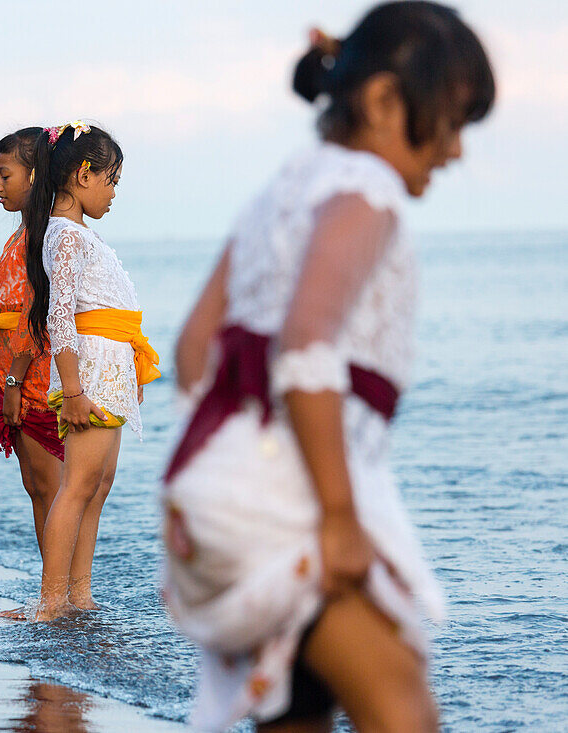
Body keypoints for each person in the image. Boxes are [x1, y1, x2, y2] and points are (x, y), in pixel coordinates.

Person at [162, 3, 495, 731]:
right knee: (401, 705)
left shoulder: (277, 192)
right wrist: (339, 516)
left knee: (297, 710)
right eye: (454, 121)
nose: (456, 153)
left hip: (215, 498)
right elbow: (308, 343)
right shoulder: (364, 190)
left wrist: (219, 471)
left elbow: (193, 348)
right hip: (291, 505)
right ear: (383, 102)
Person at [25, 121, 160, 622]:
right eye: (111, 181)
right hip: (90, 376)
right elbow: (61, 315)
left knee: (99, 483)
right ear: (84, 175)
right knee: (78, 483)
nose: (112, 193)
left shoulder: (81, 235)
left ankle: (78, 593)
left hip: (110, 371)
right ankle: (52, 601)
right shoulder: (64, 236)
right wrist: (75, 390)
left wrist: (127, 376)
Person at [0, 127, 66, 621]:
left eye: (4, 174)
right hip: (15, 381)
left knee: (51, 493)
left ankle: (56, 600)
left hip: (32, 383)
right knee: (39, 491)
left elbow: (38, 313)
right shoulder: (25, 231)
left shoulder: (41, 235)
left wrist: (12, 382)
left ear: (34, 175)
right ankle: (55, 596)